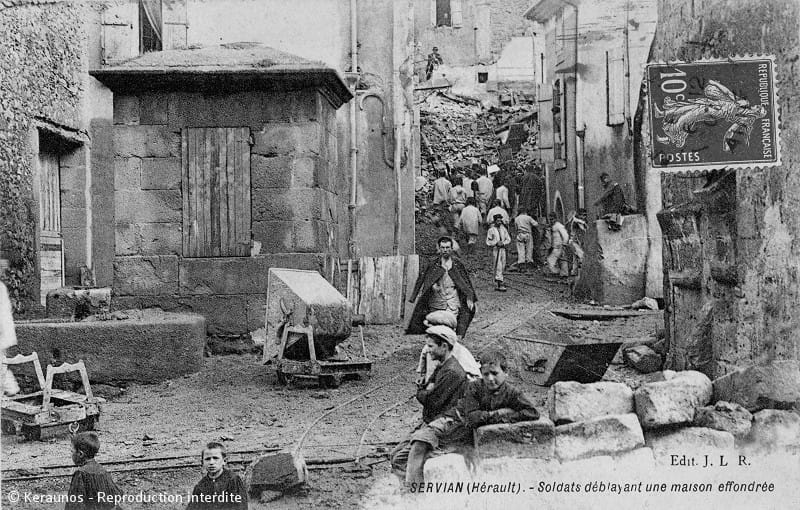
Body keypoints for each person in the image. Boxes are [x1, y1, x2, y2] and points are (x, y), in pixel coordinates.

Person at [403, 349, 540, 486]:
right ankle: (412, 491)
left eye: (495, 373)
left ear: (506, 373)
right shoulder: (474, 387)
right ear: (481, 374)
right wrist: (499, 413)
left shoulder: (512, 392)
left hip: (466, 435)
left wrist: (507, 416)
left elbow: (532, 412)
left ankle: (416, 492)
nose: (490, 379)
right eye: (486, 374)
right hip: (452, 422)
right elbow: (473, 417)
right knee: (418, 443)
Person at [391, 326, 467, 483]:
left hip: (443, 425)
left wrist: (421, 390)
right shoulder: (443, 366)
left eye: (431, 346)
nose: (427, 350)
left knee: (400, 460)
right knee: (395, 455)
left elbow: (430, 401)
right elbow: (428, 389)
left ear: (444, 346)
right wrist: (426, 389)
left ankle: (413, 495)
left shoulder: (452, 372)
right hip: (431, 421)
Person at [407, 237, 477, 338]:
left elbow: (466, 282)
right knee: (436, 329)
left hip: (452, 301)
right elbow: (422, 279)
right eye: (442, 247)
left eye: (447, 247)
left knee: (449, 327)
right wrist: (430, 287)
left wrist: (470, 297)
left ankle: (449, 347)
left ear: (452, 248)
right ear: (439, 249)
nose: (445, 250)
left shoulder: (457, 265)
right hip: (436, 302)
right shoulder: (433, 265)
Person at [416, 313, 481, 384]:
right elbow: (424, 356)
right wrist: (422, 375)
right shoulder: (430, 346)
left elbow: (474, 379)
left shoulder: (459, 352)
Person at [65, 432, 122, 510]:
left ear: (80, 454)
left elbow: (74, 505)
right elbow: (117, 494)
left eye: (72, 451)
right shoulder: (102, 470)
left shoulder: (80, 473)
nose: (71, 455)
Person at [187, 442, 248, 510]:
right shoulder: (200, 486)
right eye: (207, 459)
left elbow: (241, 507)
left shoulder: (233, 480)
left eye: (215, 458)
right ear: (202, 462)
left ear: (224, 461)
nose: (211, 462)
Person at [0, 281, 19, 396]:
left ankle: (11, 389)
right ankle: (11, 388)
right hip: (4, 332)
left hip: (2, 332)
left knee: (1, 365)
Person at [486, 214, 511, 292]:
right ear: (495, 221)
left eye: (500, 220)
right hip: (496, 249)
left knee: (503, 265)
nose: (499, 222)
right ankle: (500, 283)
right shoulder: (491, 230)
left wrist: (503, 243)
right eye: (498, 220)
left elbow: (508, 239)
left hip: (503, 249)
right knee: (498, 266)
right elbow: (488, 241)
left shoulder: (504, 229)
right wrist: (495, 243)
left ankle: (498, 280)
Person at [546, 213, 570, 277]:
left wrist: (564, 243)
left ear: (555, 219)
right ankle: (563, 274)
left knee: (551, 260)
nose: (551, 221)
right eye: (550, 219)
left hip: (559, 246)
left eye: (552, 219)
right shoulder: (552, 226)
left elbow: (565, 235)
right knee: (561, 260)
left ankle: (559, 273)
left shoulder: (559, 226)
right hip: (555, 246)